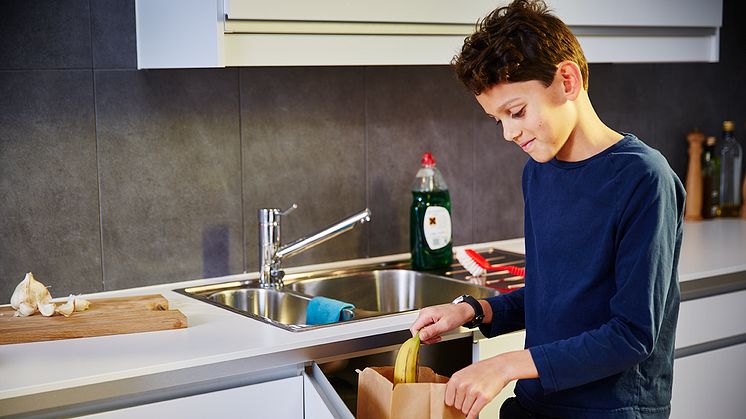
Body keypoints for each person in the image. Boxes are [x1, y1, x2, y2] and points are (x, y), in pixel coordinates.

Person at [409, 1, 685, 418]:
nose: (508, 132)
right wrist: (471, 309)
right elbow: (550, 295)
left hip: (612, 410)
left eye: (516, 112)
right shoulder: (538, 173)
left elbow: (631, 334)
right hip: (540, 402)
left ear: (567, 81)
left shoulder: (644, 178)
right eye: (496, 119)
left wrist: (504, 366)